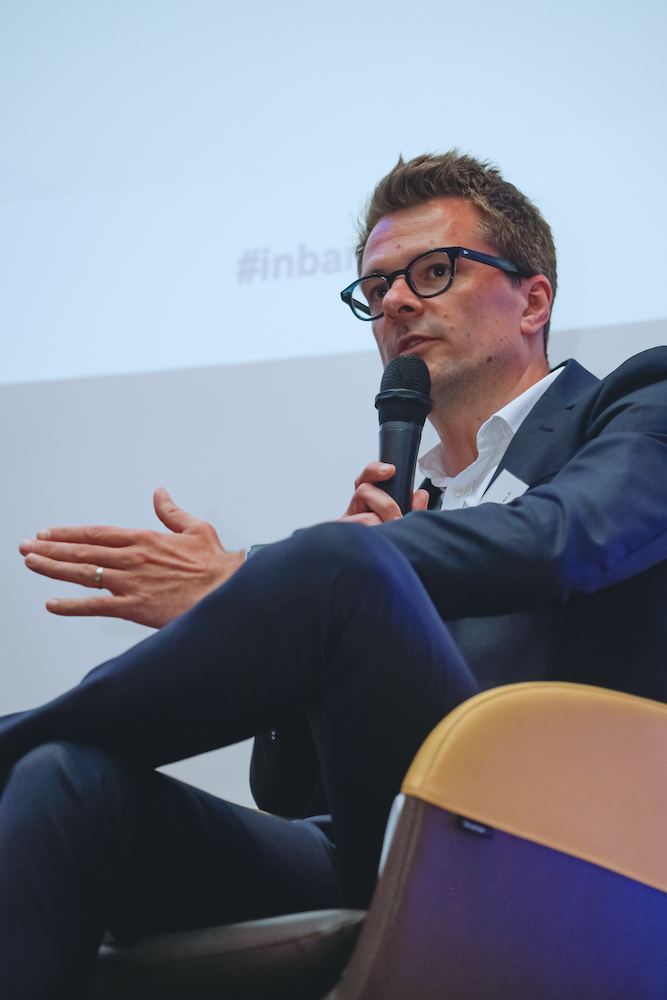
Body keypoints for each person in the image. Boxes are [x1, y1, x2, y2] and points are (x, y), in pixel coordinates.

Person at [5, 151, 667, 999]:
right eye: (376, 287)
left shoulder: (638, 404)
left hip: (569, 854)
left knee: (339, 562)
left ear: (532, 300)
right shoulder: (411, 511)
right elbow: (287, 796)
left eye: (433, 272)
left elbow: (563, 541)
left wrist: (255, 579)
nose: (395, 302)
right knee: (63, 781)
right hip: (382, 847)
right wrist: (301, 625)